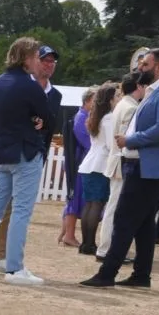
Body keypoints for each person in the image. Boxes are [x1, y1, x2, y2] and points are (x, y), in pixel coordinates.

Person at [83, 48, 159, 289]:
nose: (139, 69)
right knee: (142, 224)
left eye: (144, 64)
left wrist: (131, 140)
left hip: (150, 168)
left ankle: (107, 273)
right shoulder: (158, 91)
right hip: (143, 165)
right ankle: (141, 275)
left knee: (124, 219)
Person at [0, 38, 59, 284]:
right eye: (34, 56)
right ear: (26, 58)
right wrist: (36, 120)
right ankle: (15, 268)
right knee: (21, 210)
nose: (37, 61)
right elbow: (47, 115)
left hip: (1, 152)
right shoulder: (29, 86)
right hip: (25, 153)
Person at [96, 72, 146, 256]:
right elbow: (125, 139)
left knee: (114, 207)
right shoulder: (131, 107)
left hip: (116, 160)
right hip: (121, 162)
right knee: (116, 208)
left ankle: (107, 247)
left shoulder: (122, 104)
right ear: (139, 87)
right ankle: (107, 248)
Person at [75, 83, 120, 256]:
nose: (118, 99)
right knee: (97, 204)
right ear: (109, 100)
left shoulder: (95, 116)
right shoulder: (108, 119)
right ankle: (90, 243)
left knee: (89, 204)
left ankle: (86, 243)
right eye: (116, 97)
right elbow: (111, 145)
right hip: (100, 165)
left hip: (89, 164)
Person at [60, 89, 95, 246]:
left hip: (80, 163)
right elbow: (88, 143)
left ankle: (66, 233)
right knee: (75, 199)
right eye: (94, 100)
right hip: (79, 164)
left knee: (76, 199)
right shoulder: (81, 118)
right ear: (87, 101)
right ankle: (69, 234)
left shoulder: (83, 116)